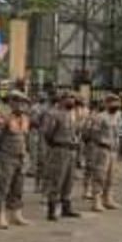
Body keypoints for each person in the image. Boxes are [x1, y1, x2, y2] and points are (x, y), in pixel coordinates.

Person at [0, 91, 31, 229]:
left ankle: (16, 214)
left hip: (20, 155)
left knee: (18, 186)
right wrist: (6, 122)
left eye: (23, 102)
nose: (21, 105)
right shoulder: (2, 115)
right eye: (18, 101)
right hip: (6, 155)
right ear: (11, 102)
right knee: (2, 185)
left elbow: (25, 136)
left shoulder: (24, 117)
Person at [43, 92, 82, 221]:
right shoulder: (54, 114)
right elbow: (48, 133)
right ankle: (52, 209)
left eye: (73, 98)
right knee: (57, 179)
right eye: (69, 98)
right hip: (59, 150)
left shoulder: (73, 114)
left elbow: (75, 132)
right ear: (62, 100)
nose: (72, 101)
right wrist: (56, 144)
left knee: (69, 180)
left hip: (71, 150)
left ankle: (66, 207)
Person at [84, 93, 122, 212]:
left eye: (116, 102)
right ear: (106, 103)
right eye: (112, 102)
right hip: (102, 149)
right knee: (100, 175)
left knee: (111, 176)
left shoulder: (117, 116)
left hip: (113, 150)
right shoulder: (100, 117)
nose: (115, 105)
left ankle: (108, 198)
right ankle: (97, 200)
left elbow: (118, 133)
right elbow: (93, 134)